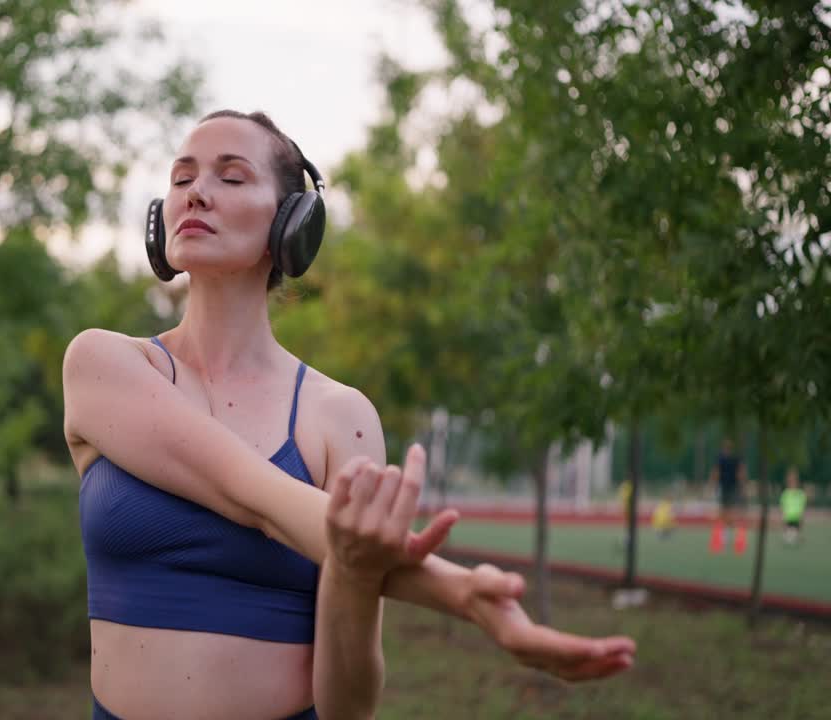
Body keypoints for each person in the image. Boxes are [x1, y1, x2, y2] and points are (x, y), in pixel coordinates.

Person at [63, 110, 636, 720]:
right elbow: (250, 495)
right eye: (182, 179)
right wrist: (462, 592)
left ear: (292, 223)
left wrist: (360, 571)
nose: (196, 192)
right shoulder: (102, 364)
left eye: (231, 177)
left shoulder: (341, 417)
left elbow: (347, 708)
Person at [708, 437, 749, 548]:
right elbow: (716, 472)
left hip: (733, 487)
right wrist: (712, 484)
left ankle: (730, 534)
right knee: (723, 512)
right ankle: (726, 535)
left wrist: (743, 486)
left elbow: (741, 472)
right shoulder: (720, 458)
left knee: (731, 512)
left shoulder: (736, 457)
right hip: (723, 487)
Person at [779, 467, 807, 546]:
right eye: (790, 480)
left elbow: (802, 508)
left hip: (797, 519)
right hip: (788, 519)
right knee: (789, 536)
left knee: (794, 536)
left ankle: (795, 537)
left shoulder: (801, 494)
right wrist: (783, 519)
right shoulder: (785, 494)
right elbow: (783, 508)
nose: (792, 482)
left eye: (794, 480)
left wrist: (801, 519)